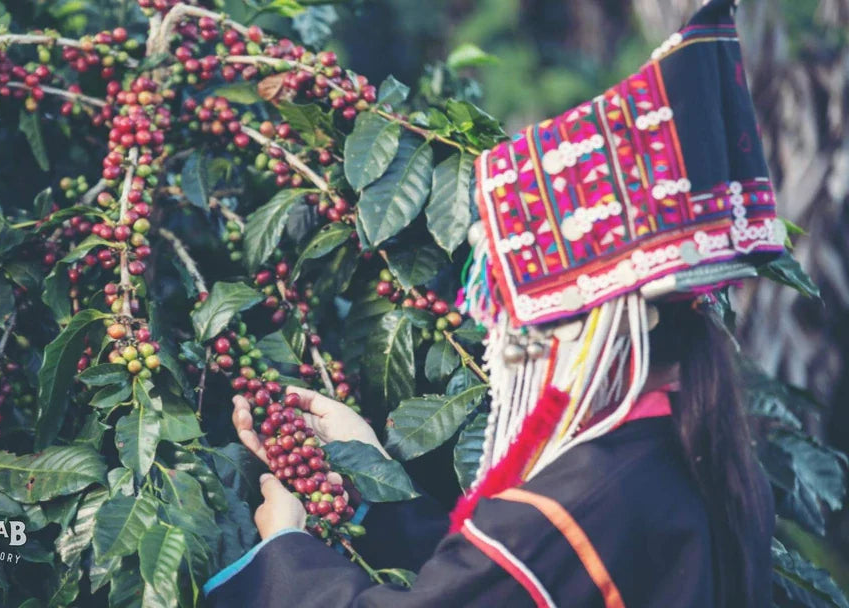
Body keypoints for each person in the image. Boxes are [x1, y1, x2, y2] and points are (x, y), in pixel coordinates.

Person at [203, 0, 782, 605]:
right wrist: (370, 469)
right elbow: (488, 585)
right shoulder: (706, 459)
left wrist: (284, 554)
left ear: (590, 321)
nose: (504, 342)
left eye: (515, 318)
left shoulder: (575, 502)